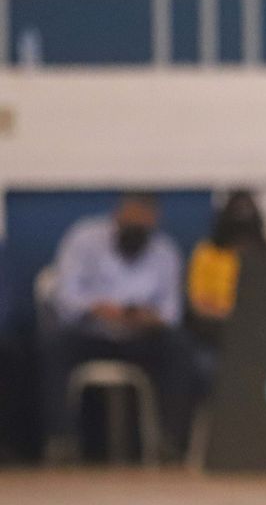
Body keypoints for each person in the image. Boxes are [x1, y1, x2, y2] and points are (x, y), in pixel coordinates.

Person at [38, 192, 196, 461]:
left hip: (140, 337)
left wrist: (146, 318)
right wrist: (99, 308)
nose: (135, 231)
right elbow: (64, 295)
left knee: (179, 348)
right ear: (117, 216)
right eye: (130, 223)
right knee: (52, 345)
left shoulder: (164, 251)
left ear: (153, 223)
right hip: (91, 332)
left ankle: (170, 443)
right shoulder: (84, 239)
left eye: (142, 226)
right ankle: (61, 440)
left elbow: (171, 313)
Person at [186, 189, 266, 351]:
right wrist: (235, 316)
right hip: (216, 331)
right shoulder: (207, 253)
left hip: (264, 330)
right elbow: (198, 304)